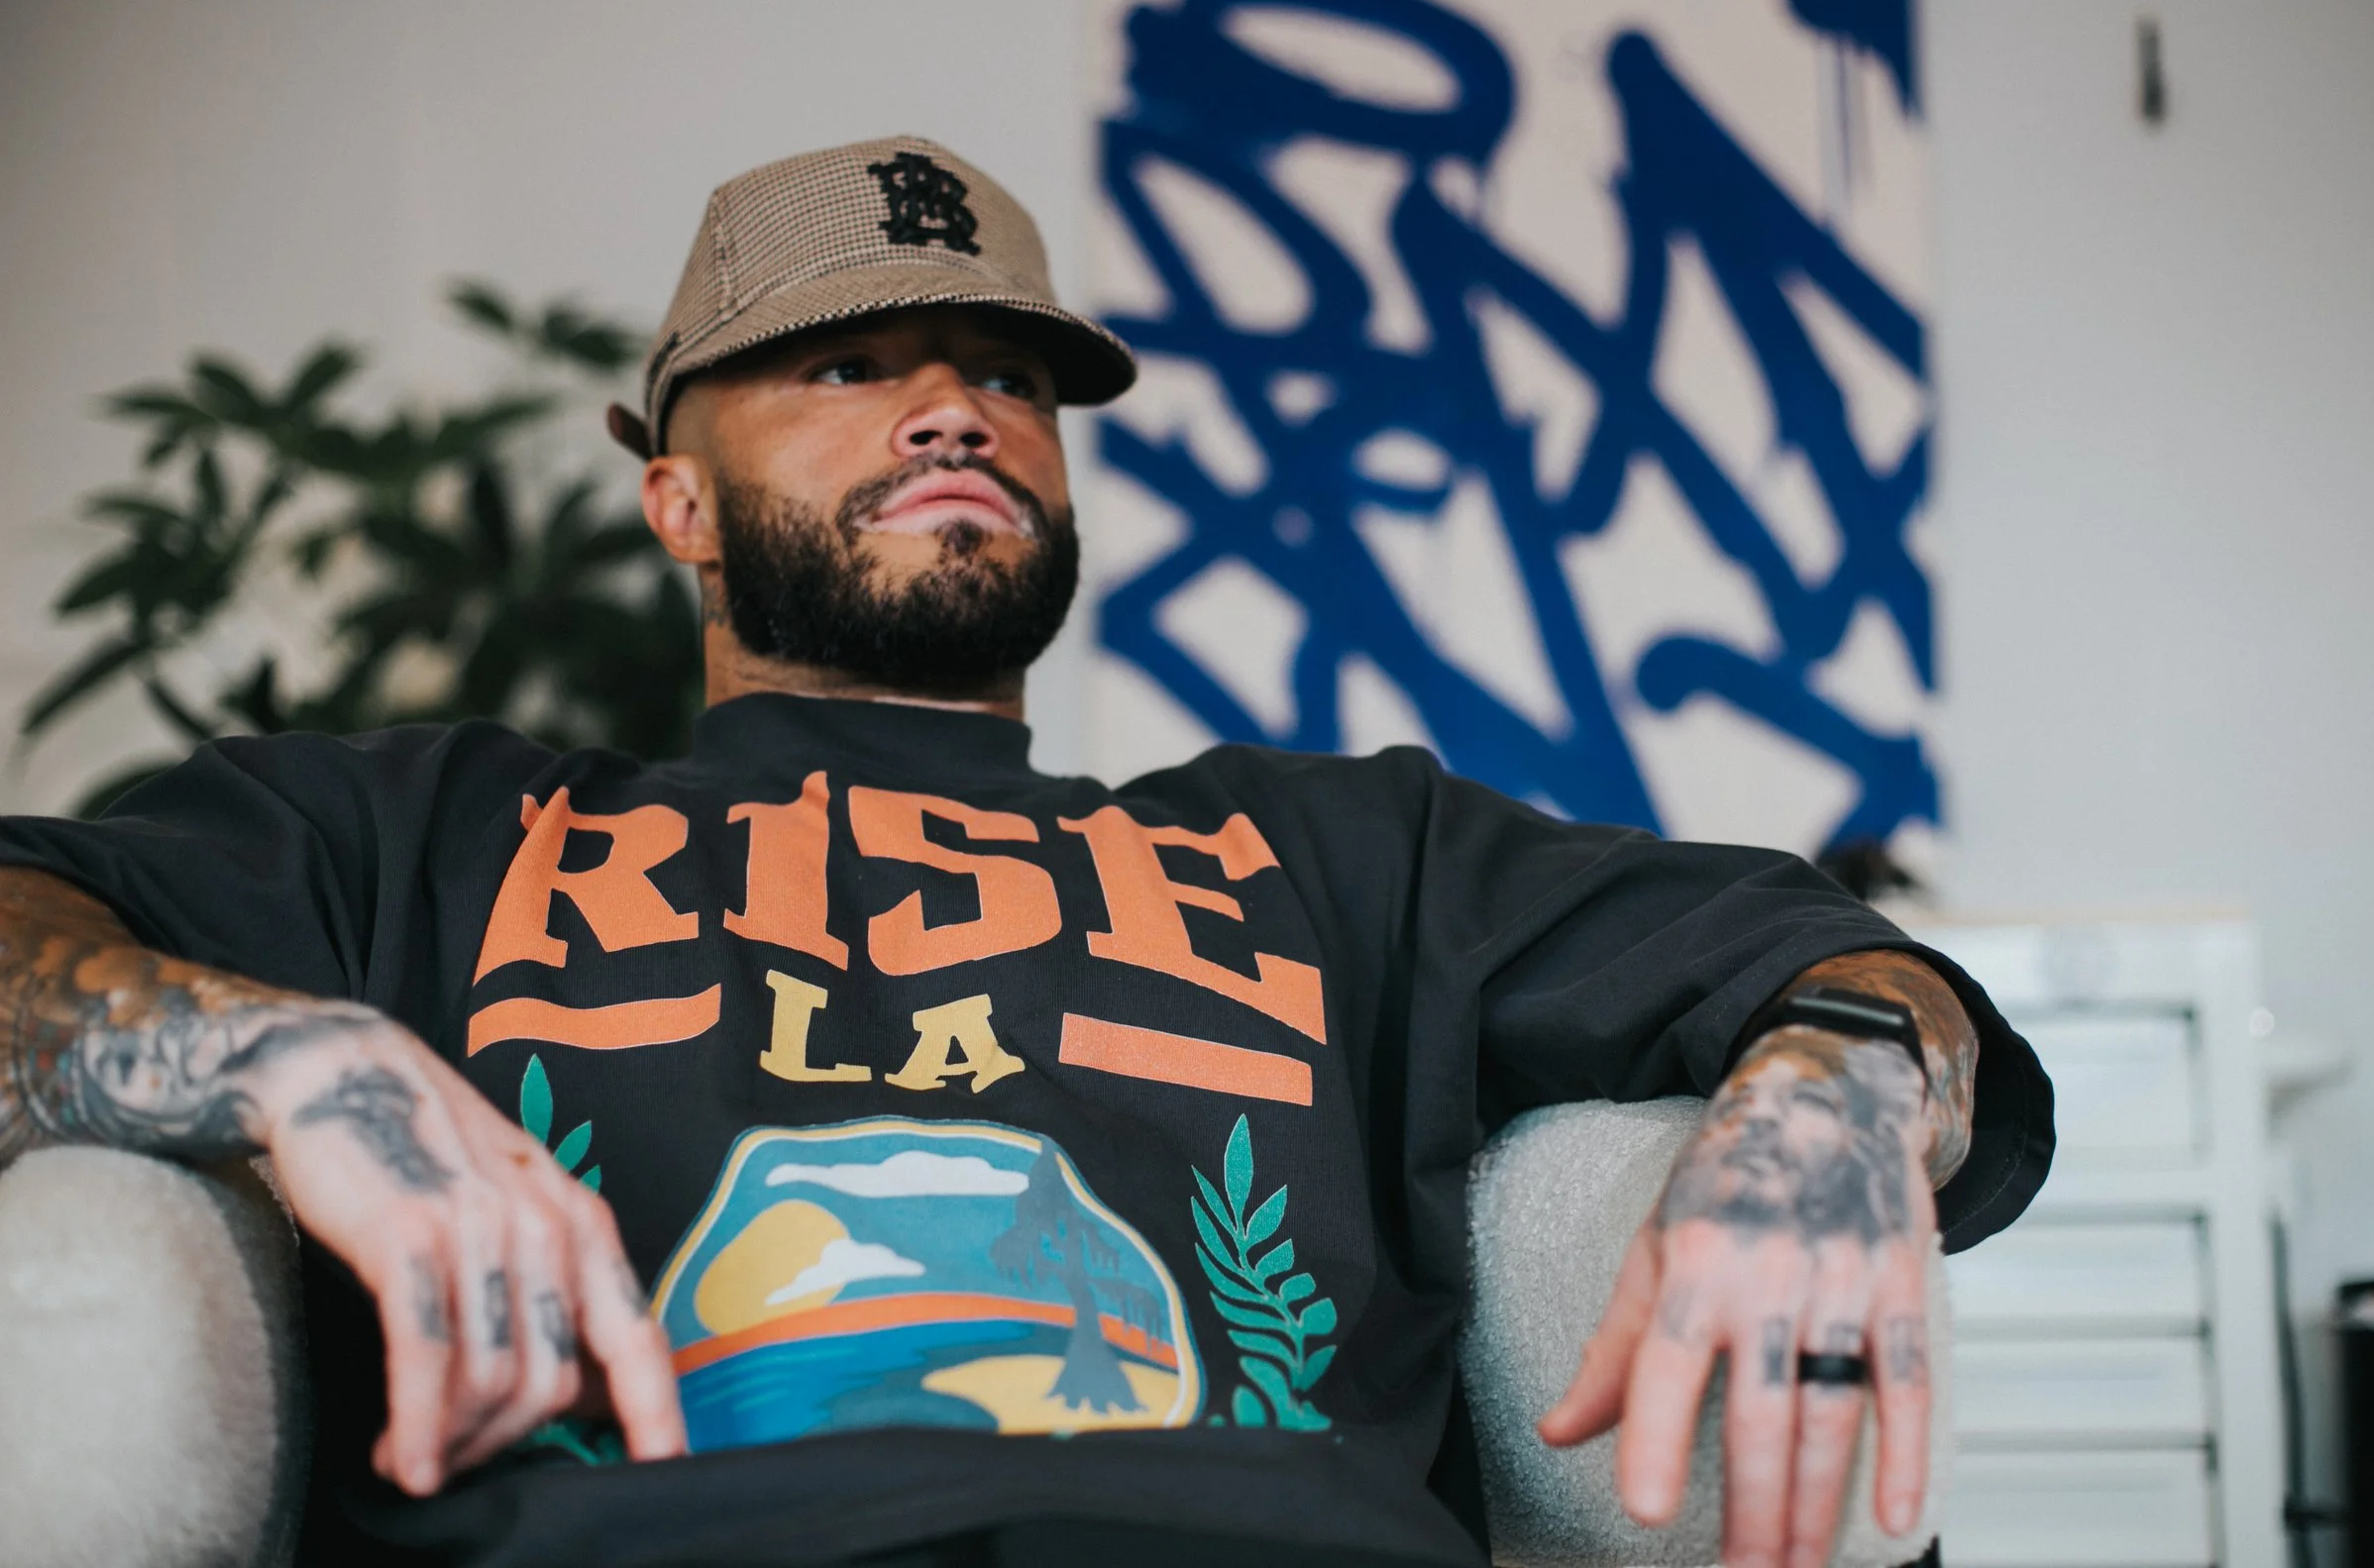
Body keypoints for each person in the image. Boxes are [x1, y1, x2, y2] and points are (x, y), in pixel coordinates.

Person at [0, 138, 2050, 1568]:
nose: (955, 409)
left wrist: (1833, 1088)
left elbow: (1824, 955)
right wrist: (279, 1060)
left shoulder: (1340, 846)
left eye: (1005, 374)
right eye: (848, 364)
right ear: (678, 503)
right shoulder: (424, 831)